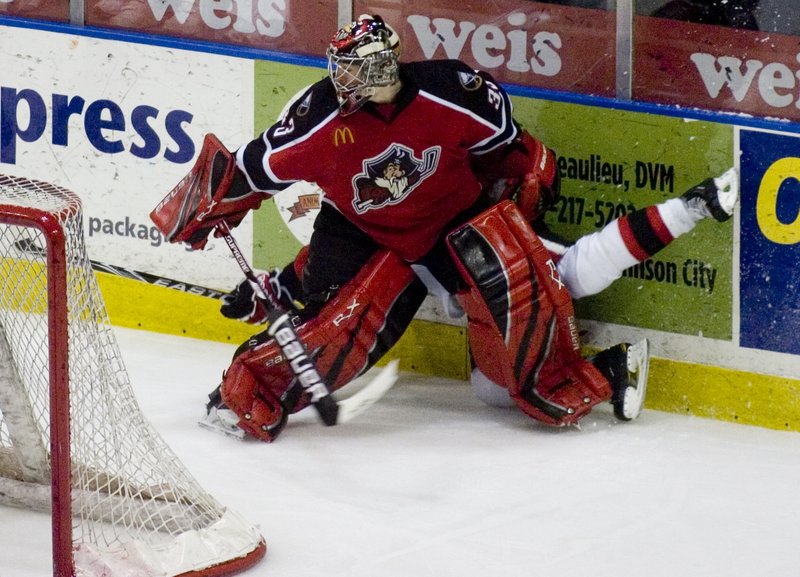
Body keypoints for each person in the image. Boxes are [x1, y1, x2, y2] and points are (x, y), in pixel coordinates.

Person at [150, 14, 739, 442]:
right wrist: (212, 209)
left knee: (512, 359)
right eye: (340, 69)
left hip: (452, 229)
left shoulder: (451, 94)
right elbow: (251, 170)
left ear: (382, 71)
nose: (341, 81)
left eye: (354, 71)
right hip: (361, 230)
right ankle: (250, 390)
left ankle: (604, 370)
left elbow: (505, 149)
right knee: (332, 331)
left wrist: (525, 195)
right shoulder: (316, 121)